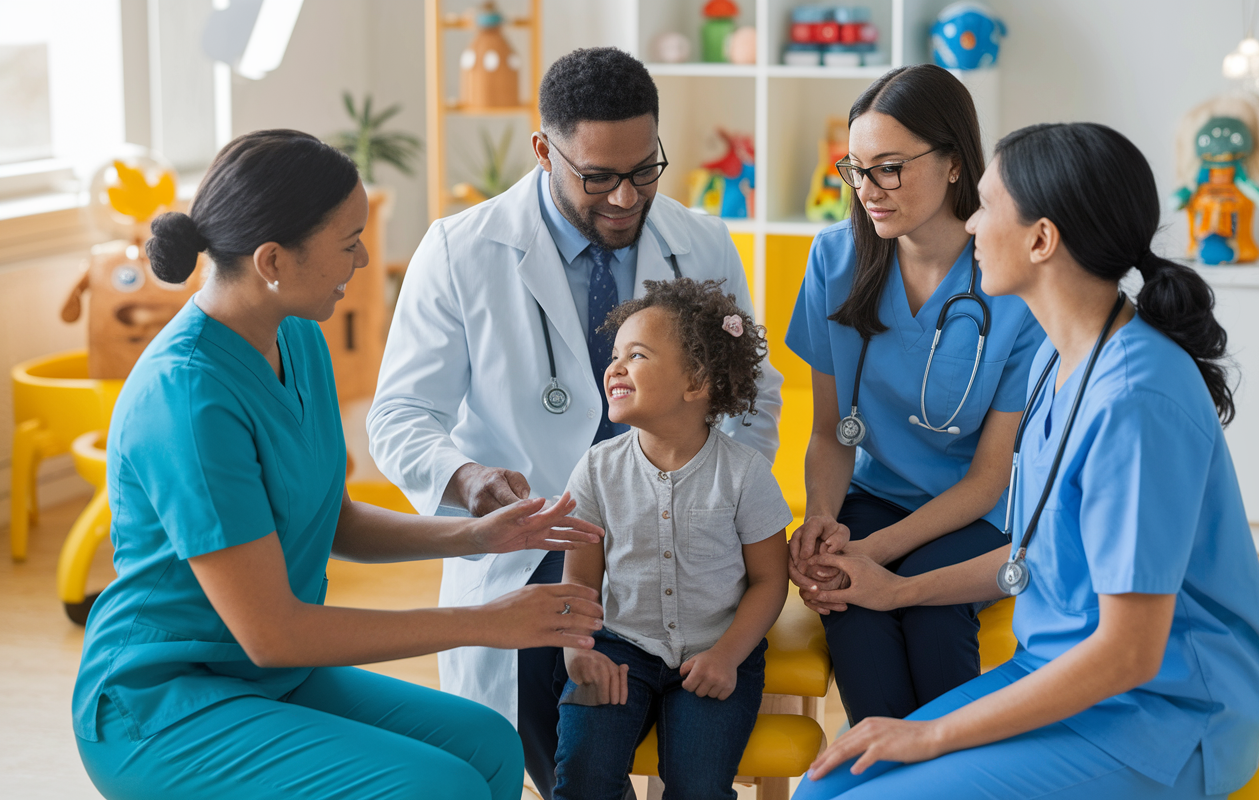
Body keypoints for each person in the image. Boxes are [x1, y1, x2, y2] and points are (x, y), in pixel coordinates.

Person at [72, 130, 608, 800]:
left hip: (264, 674)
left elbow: (330, 517)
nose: (360, 259)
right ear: (273, 259)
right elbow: (273, 632)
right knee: (436, 787)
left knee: (489, 746)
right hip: (164, 699)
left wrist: (477, 535)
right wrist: (488, 621)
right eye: (347, 241)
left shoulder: (294, 334)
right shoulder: (187, 399)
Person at [792, 122, 1259, 800]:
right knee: (822, 789)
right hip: (1056, 675)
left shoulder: (1135, 400)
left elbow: (1130, 652)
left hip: (1161, 716)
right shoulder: (1059, 358)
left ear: (1042, 239)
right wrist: (894, 589)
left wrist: (929, 735)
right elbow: (1039, 557)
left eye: (986, 207)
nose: (969, 229)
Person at [367, 47, 782, 798]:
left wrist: (724, 504)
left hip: (686, 535)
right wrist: (466, 478)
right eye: (598, 176)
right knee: (567, 748)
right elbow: (400, 415)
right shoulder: (461, 251)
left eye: (644, 169)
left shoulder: (702, 242)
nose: (626, 197)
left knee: (698, 749)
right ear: (542, 151)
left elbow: (750, 395)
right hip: (537, 543)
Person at [785, 64, 1044, 726]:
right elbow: (828, 433)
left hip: (974, 515)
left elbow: (989, 479)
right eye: (857, 169)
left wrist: (874, 556)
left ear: (955, 163)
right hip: (874, 498)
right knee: (854, 619)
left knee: (930, 621)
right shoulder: (834, 260)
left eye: (890, 168)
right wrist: (822, 526)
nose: (869, 190)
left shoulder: (1010, 281)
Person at [553, 279, 792, 800]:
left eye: (636, 356)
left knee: (699, 788)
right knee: (583, 779)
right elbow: (579, 583)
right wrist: (578, 655)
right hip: (620, 645)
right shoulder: (595, 469)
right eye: (614, 355)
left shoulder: (746, 474)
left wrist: (728, 655)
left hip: (715, 650)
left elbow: (772, 581)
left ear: (696, 380)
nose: (614, 368)